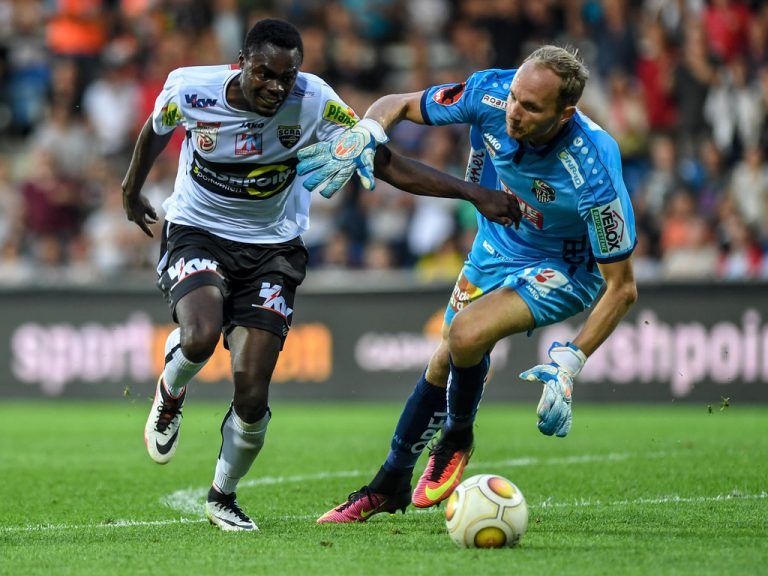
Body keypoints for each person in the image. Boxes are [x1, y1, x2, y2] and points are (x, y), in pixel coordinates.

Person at [121, 18, 520, 532]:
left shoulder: (316, 102)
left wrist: (473, 193)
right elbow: (156, 129)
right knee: (199, 336)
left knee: (251, 392)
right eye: (264, 74)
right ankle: (172, 390)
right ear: (241, 62)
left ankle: (223, 495)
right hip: (199, 229)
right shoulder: (190, 88)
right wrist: (131, 190)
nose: (275, 87)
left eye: (286, 77)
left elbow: (384, 161)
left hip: (273, 249)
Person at [297, 45, 638, 523]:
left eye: (531, 107)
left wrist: (572, 360)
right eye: (516, 97)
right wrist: (368, 131)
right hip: (497, 241)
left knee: (465, 334)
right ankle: (388, 485)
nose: (515, 113)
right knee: (446, 354)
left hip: (565, 265)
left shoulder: (595, 169)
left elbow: (621, 287)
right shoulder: (490, 93)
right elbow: (397, 102)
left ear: (566, 114)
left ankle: (457, 435)